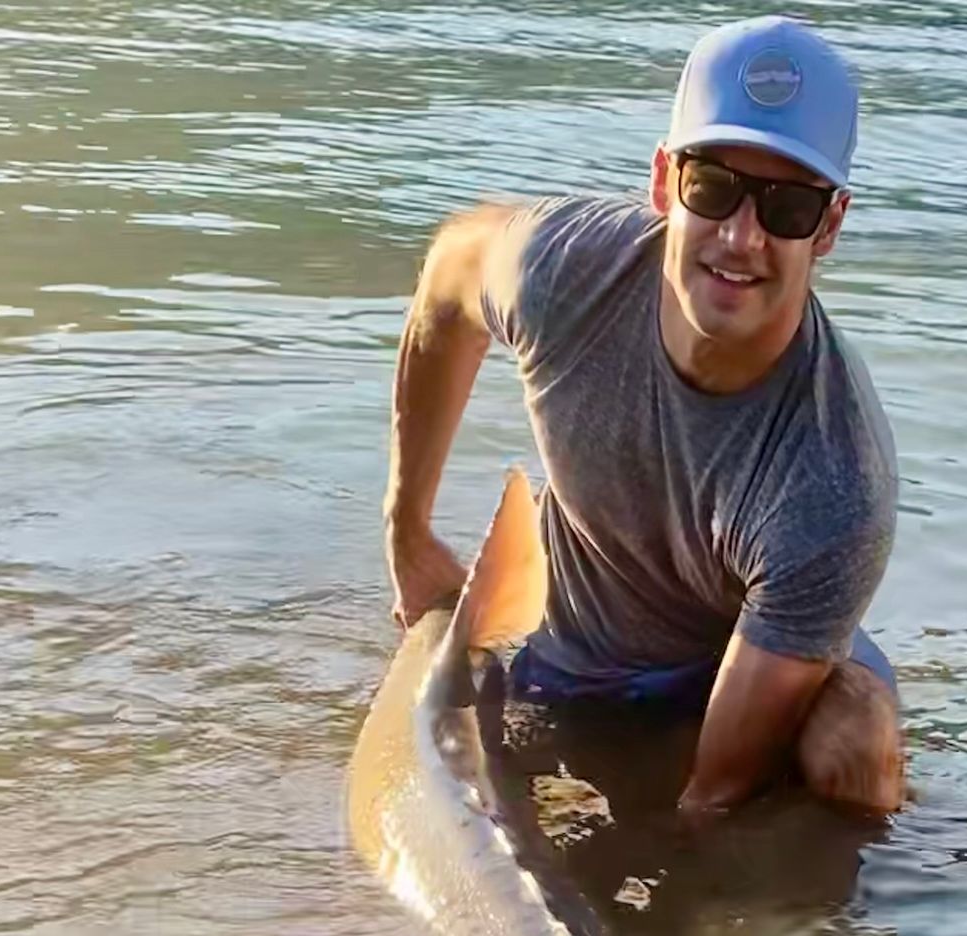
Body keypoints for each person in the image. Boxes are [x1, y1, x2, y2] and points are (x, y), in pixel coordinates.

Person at [384, 15, 903, 819]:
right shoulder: (565, 271)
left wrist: (672, 862)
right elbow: (449, 281)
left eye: (788, 207)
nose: (741, 237)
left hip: (735, 668)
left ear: (829, 225)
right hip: (569, 653)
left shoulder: (835, 484)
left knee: (855, 749)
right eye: (714, 187)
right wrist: (407, 528)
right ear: (665, 181)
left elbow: (714, 791)